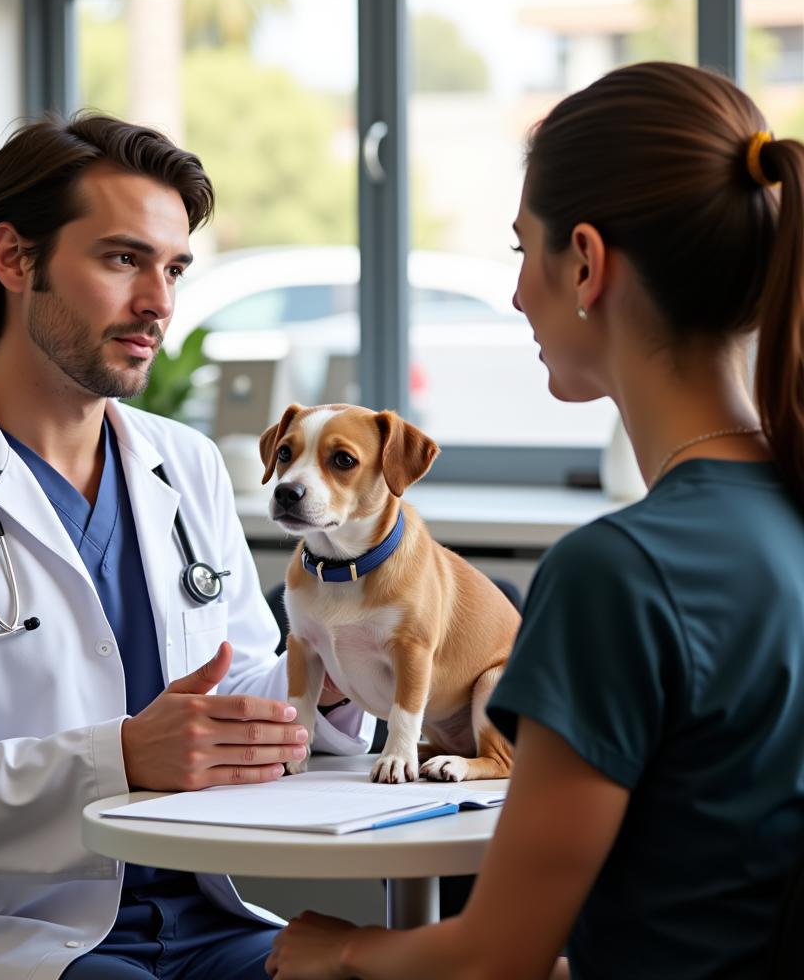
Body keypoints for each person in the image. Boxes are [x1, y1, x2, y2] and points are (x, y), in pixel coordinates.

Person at [0, 113, 372, 980]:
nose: (159, 303)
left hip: (202, 922)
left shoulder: (187, 464)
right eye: (122, 259)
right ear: (15, 259)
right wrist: (121, 757)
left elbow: (239, 683)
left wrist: (330, 682)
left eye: (171, 268)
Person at [264, 61, 804, 980]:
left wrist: (343, 949)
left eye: (522, 252)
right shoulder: (781, 514)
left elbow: (495, 959)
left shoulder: (621, 572)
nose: (516, 295)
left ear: (586, 263)